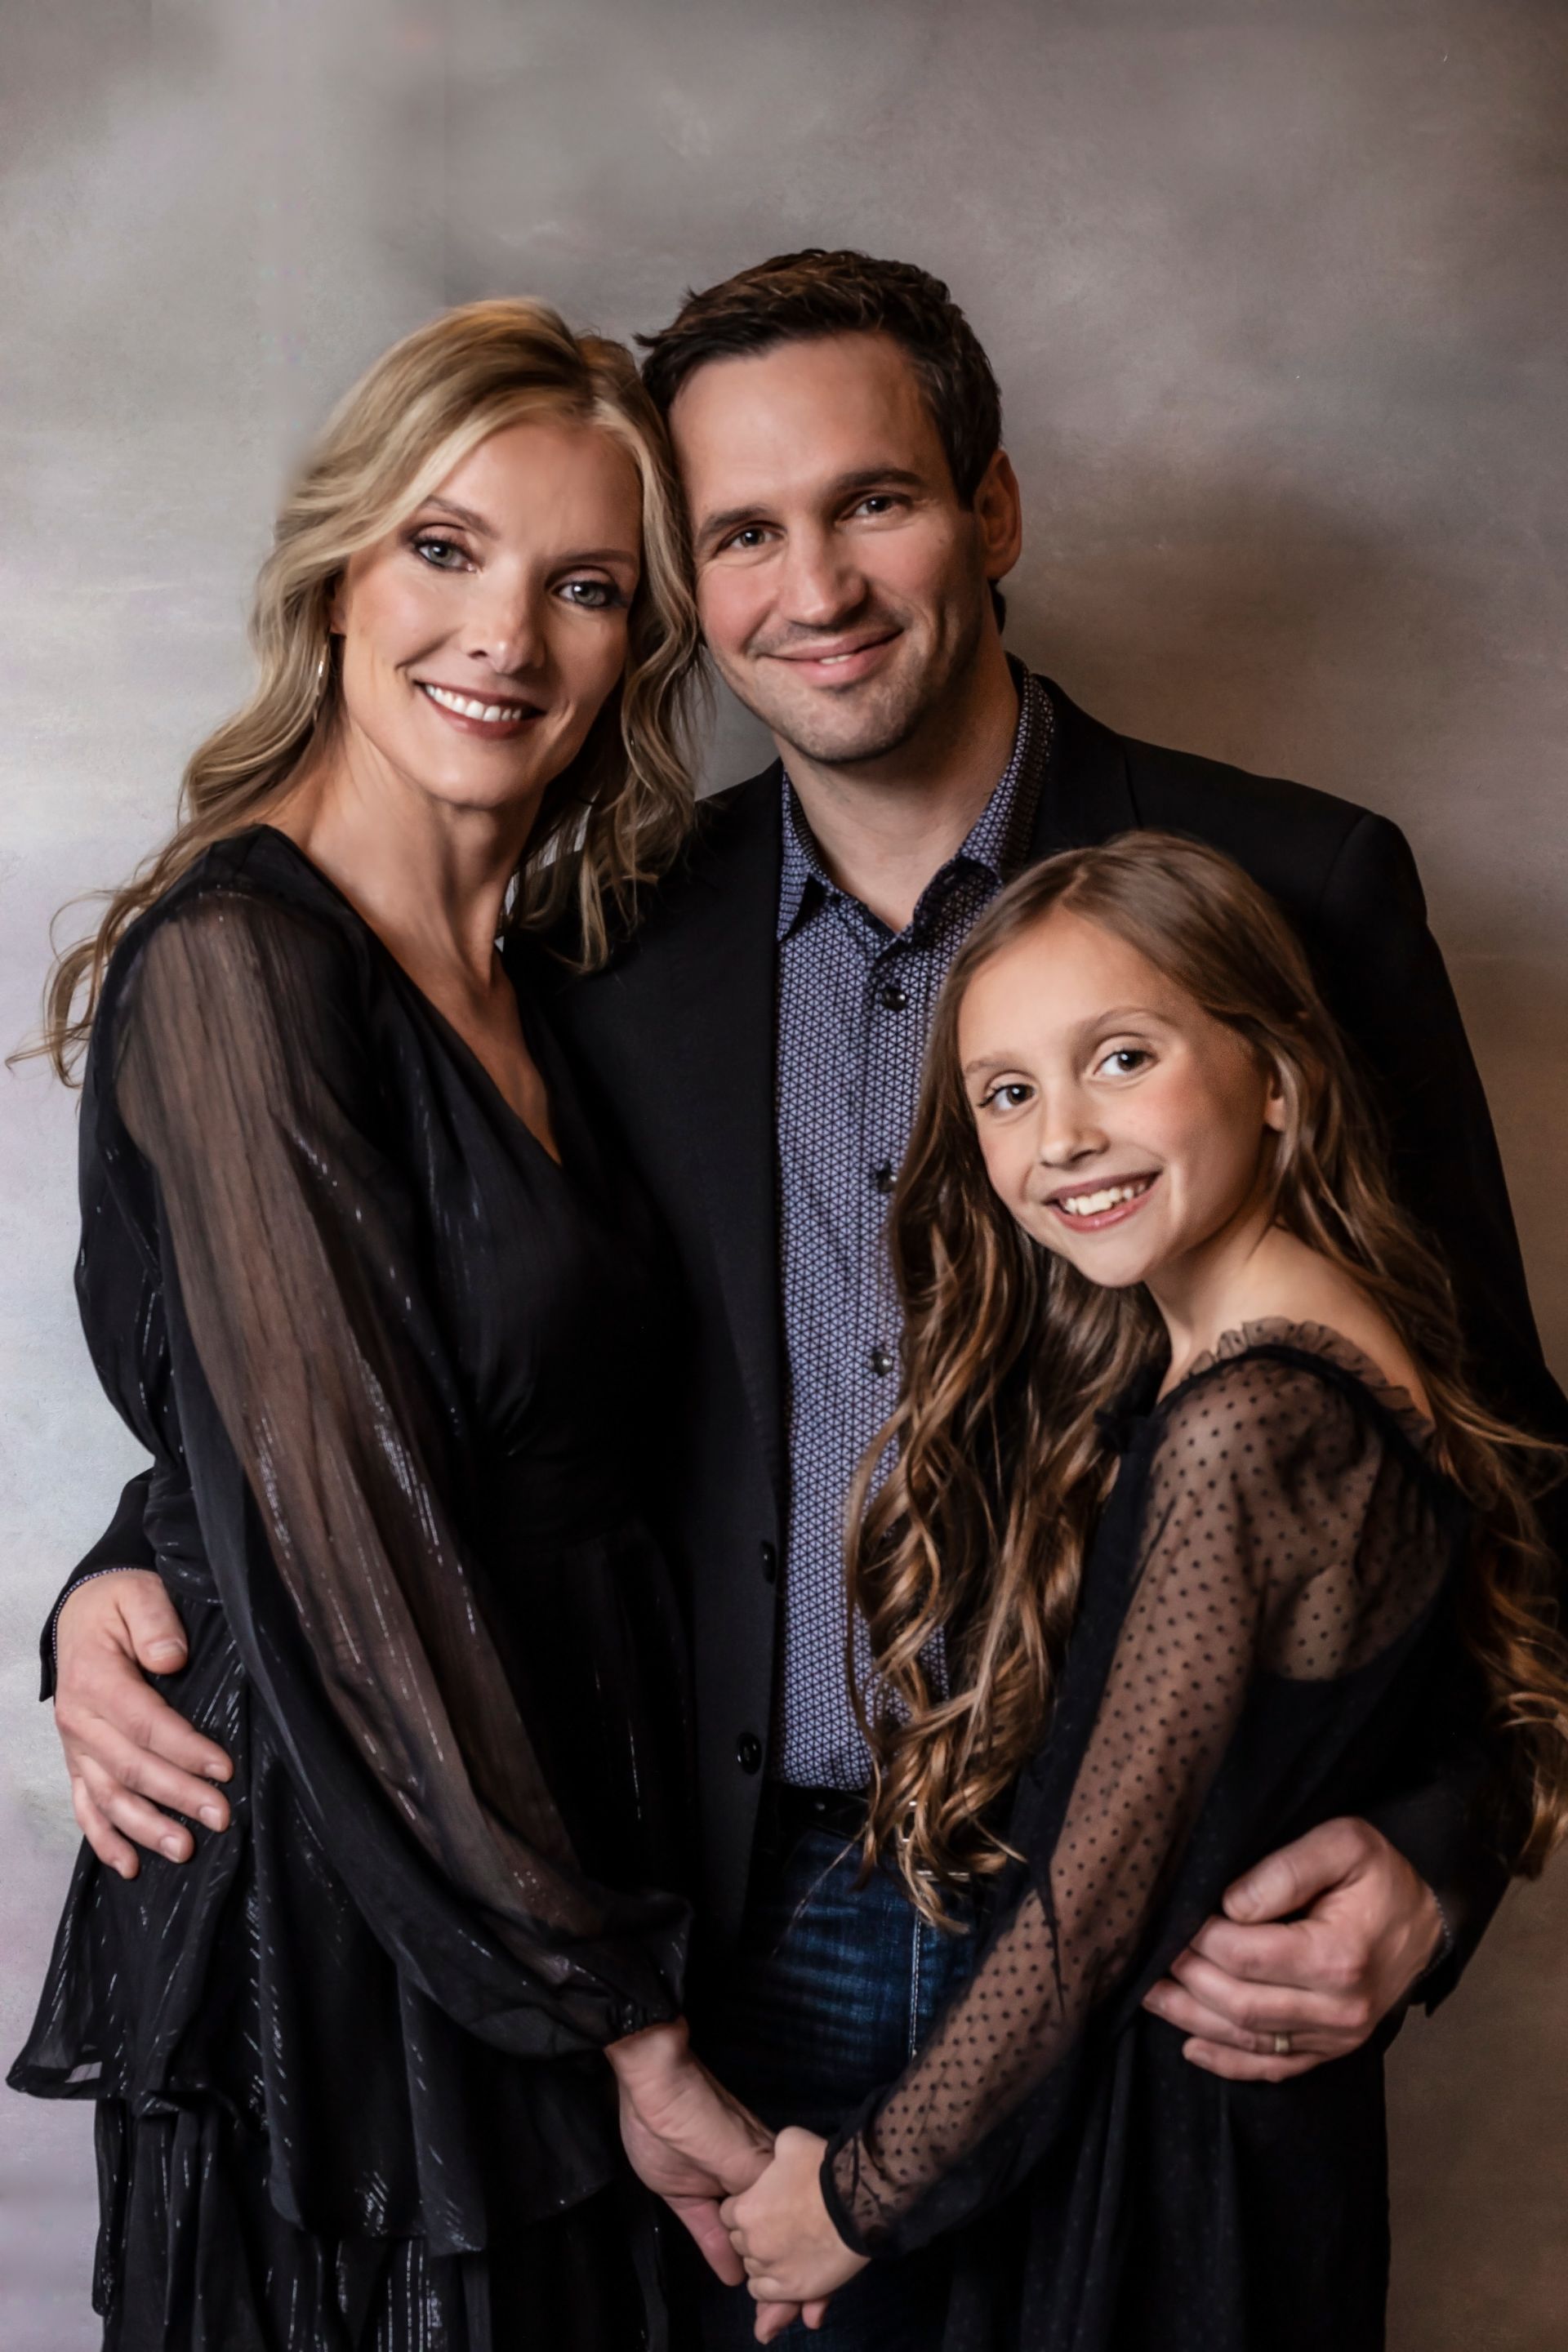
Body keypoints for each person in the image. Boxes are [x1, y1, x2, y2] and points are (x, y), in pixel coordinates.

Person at [40, 252, 1568, 2347]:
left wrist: (1436, 1855)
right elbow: (438, 1368)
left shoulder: (1289, 889)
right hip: (735, 1927)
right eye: (742, 532)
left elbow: (1496, 1453)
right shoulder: (598, 947)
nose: (816, 587)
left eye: (875, 501)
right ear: (694, 590)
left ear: (993, 511)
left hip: (1171, 1950)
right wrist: (130, 1574)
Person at [8, 297, 791, 2352]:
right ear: (342, 572)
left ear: (641, 643)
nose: (503, 637)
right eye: (446, 548)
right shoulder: (242, 967)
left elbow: (445, 1415)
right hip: (365, 1927)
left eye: (585, 586)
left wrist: (118, 1557)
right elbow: (340, 1523)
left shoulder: (556, 973)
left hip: (569, 1852)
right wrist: (623, 2026)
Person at [719, 834, 1568, 2350]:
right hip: (1210, 2143)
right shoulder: (1250, 1358)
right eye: (1006, 1094)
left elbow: (1089, 1913)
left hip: (1178, 2174)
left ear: (1276, 1077)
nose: (1063, 1137)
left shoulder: (1253, 1422)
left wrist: (852, 2200)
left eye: (1122, 1058)